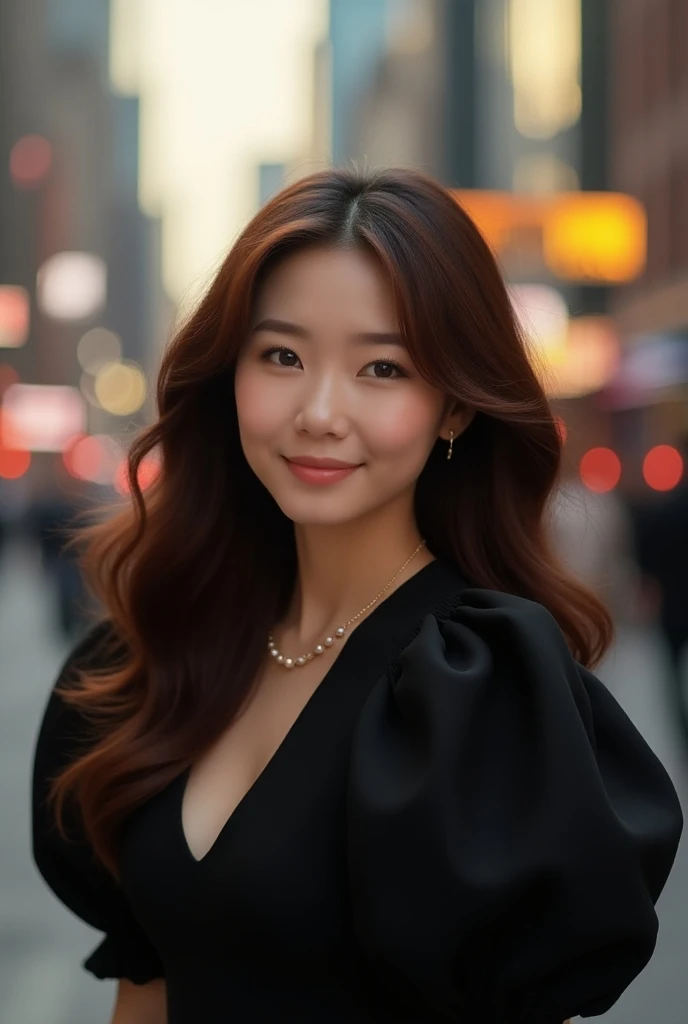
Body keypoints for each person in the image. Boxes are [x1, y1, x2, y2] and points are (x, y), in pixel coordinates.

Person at [31, 168, 682, 1024]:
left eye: (383, 367)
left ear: (451, 407)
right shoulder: (156, 651)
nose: (320, 412)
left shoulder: (478, 687)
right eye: (283, 356)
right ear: (230, 375)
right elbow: (147, 983)